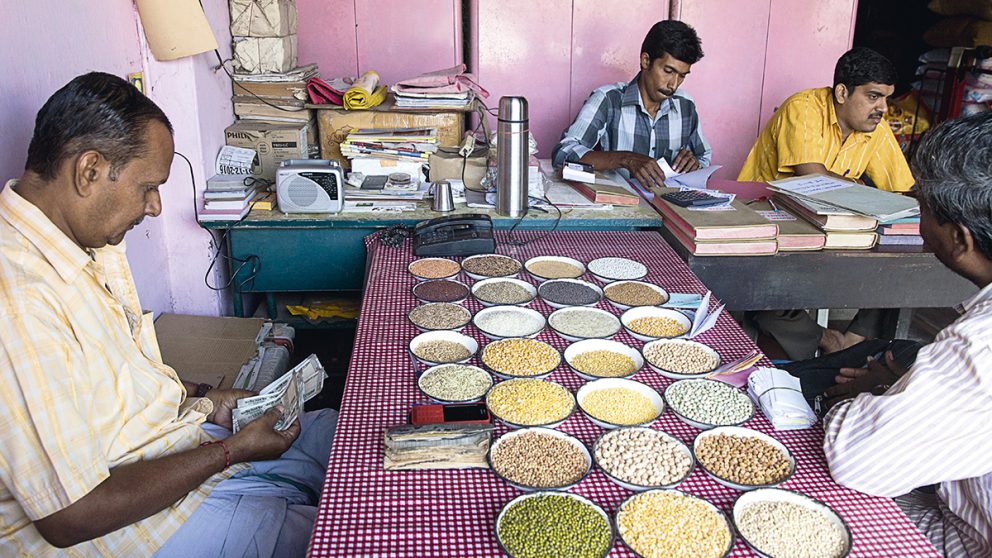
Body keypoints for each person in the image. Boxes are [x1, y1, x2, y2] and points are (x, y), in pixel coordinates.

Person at [0, 72, 336, 557]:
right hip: (121, 527)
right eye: (148, 187)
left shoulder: (81, 239)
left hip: (173, 443)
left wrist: (207, 396)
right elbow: (71, 516)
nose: (155, 207)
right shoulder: (19, 303)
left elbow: (118, 377)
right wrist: (228, 452)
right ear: (89, 170)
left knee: (344, 434)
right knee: (334, 536)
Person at [822, 112, 992, 558]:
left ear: (958, 238)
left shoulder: (980, 344)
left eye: (922, 208)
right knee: (900, 352)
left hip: (963, 538)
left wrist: (877, 394)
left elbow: (854, 457)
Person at [738, 47, 915, 360]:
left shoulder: (875, 128)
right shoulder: (803, 107)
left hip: (832, 229)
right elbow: (812, 178)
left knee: (899, 274)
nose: (883, 108)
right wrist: (860, 187)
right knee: (763, 298)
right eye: (874, 96)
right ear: (842, 92)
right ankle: (826, 340)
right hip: (768, 221)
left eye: (886, 98)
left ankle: (851, 343)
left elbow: (904, 191)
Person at [551, 20, 712, 187]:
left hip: (668, 207)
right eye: (668, 71)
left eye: (682, 76)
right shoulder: (608, 100)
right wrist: (625, 159)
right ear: (646, 60)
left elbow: (703, 157)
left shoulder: (685, 106)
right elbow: (563, 154)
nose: (673, 84)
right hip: (620, 209)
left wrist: (695, 165)